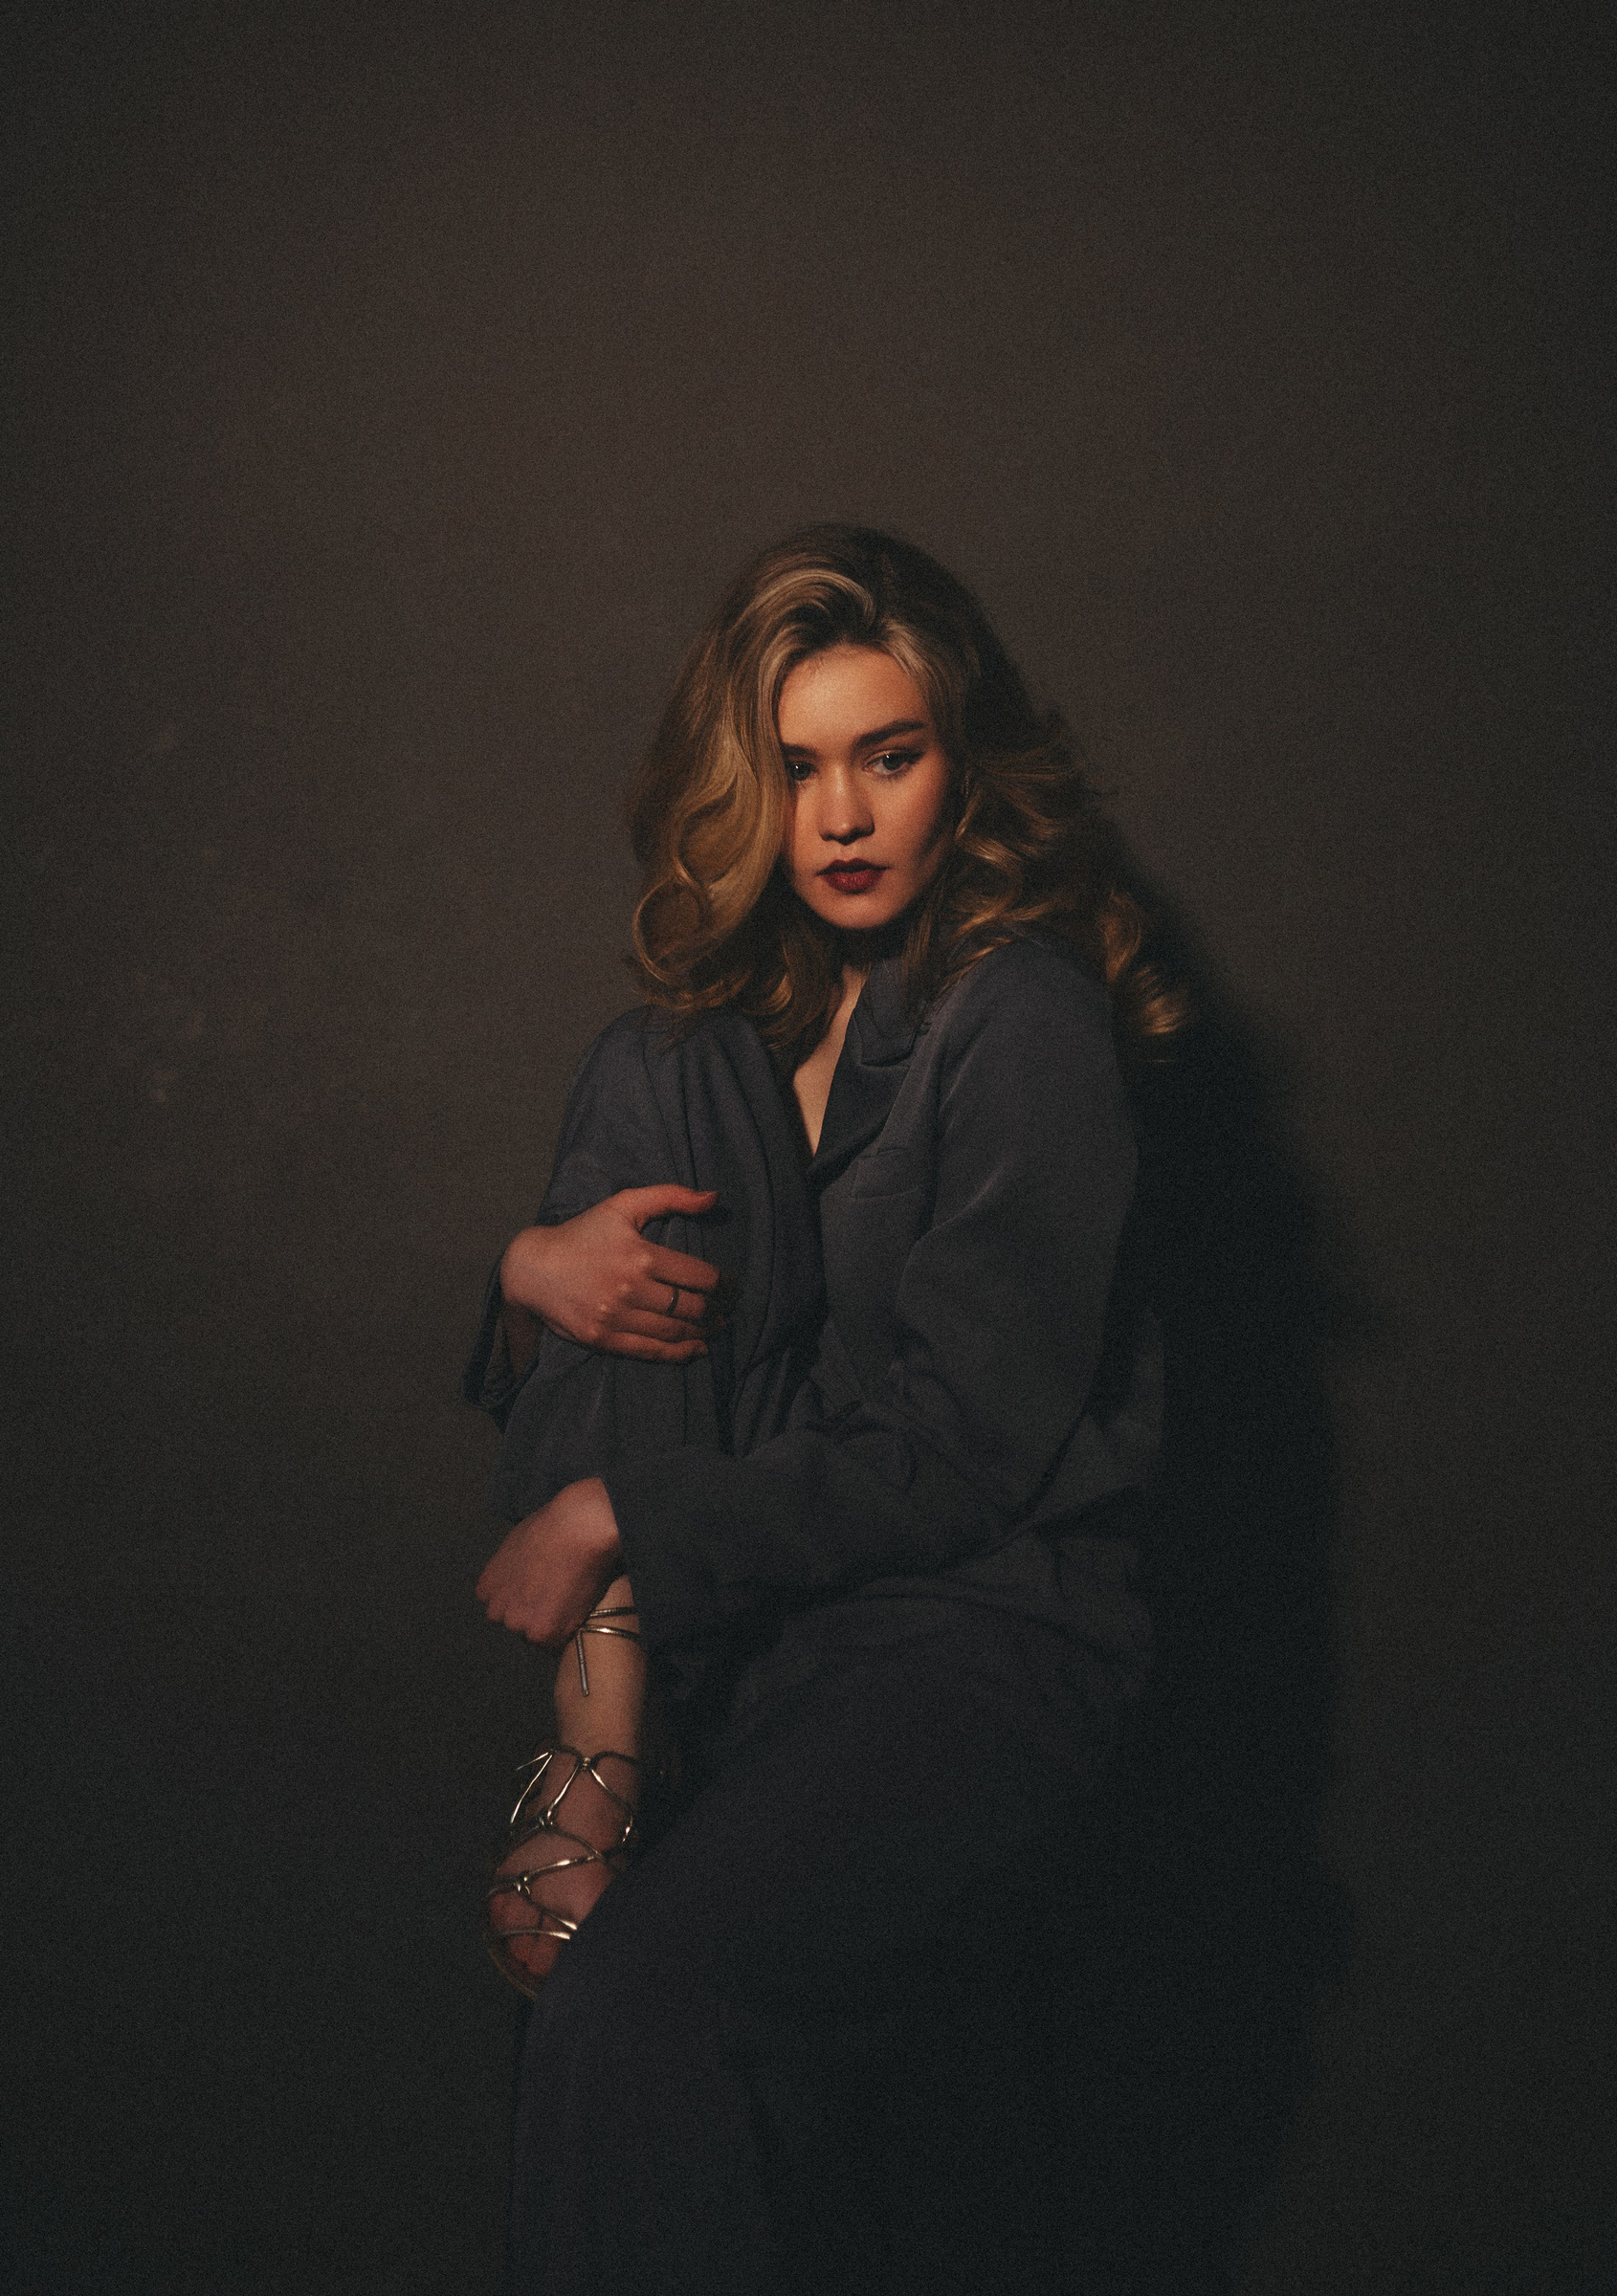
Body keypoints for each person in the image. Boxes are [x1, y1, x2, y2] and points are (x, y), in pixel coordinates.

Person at [463, 526, 1185, 2295]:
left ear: (963, 769)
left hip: (978, 1649)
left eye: (889, 756)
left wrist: (618, 1518)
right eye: (795, 770)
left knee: (632, 2022)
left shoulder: (1019, 1011)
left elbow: (963, 1447)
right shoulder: (752, 1038)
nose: (843, 817)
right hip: (779, 1644)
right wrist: (524, 1271)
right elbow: (701, 1347)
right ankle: (610, 1704)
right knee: (653, 1049)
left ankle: (600, 1729)